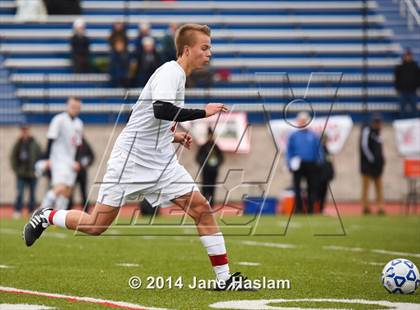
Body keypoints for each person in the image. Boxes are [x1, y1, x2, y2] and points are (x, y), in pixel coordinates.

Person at [24, 24, 251, 291]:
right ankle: (47, 216)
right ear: (187, 50)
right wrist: (203, 112)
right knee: (97, 225)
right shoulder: (171, 71)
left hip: (161, 162)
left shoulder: (177, 75)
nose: (209, 53)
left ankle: (224, 279)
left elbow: (146, 115)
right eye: (205, 47)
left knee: (201, 209)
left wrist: (172, 135)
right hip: (131, 161)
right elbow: (160, 109)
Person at [33, 97, 83, 213]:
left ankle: (58, 217)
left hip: (71, 161)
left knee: (68, 191)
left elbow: (78, 145)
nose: (75, 109)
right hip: (58, 160)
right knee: (60, 188)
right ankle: (40, 212)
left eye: (77, 107)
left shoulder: (79, 123)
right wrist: (47, 158)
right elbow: (51, 138)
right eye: (73, 107)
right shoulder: (59, 119)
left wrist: (77, 161)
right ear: (67, 106)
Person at [286, 112, 323, 214]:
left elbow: (319, 149)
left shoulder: (314, 135)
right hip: (298, 164)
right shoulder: (293, 136)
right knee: (297, 187)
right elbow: (289, 151)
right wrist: (289, 163)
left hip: (311, 164)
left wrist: (320, 161)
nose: (302, 123)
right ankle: (298, 208)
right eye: (300, 121)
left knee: (312, 187)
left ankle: (311, 208)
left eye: (304, 121)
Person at [10, 125, 42, 218]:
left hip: (32, 174)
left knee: (32, 194)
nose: (24, 133)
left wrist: (38, 170)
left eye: (26, 131)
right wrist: (16, 170)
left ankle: (31, 211)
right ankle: (17, 210)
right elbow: (13, 157)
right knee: (20, 193)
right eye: (23, 131)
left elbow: (40, 156)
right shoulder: (18, 144)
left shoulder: (35, 143)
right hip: (21, 174)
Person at [360, 114, 385, 215]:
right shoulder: (367, 131)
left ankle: (380, 207)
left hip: (377, 166)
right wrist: (372, 159)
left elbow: (379, 150)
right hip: (368, 165)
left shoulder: (379, 134)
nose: (378, 125)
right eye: (377, 123)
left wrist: (381, 161)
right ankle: (366, 207)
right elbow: (364, 146)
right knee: (366, 187)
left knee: (379, 187)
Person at [195, 128, 224, 207]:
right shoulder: (203, 147)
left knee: (212, 188)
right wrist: (205, 164)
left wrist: (216, 164)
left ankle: (211, 206)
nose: (210, 137)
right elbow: (198, 158)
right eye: (209, 135)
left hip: (214, 171)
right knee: (205, 188)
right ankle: (204, 205)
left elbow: (221, 158)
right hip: (205, 171)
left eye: (212, 135)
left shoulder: (216, 147)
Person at [67, 137, 95, 211]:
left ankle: (86, 212)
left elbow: (91, 157)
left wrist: (82, 165)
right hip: (71, 173)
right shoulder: (69, 142)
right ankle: (68, 212)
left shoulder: (85, 143)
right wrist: (71, 165)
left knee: (83, 193)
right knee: (69, 194)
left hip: (82, 173)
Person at [394, 49, 420, 119]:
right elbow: (396, 79)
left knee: (414, 109)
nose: (408, 57)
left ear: (411, 56)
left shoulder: (415, 66)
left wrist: (417, 87)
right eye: (406, 55)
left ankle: (416, 124)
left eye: (409, 55)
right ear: (404, 56)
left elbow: (418, 77)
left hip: (412, 91)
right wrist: (397, 89)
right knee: (402, 110)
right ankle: (402, 124)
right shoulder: (399, 66)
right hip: (403, 91)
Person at [317, 134, 334, 213]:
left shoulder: (327, 150)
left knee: (324, 193)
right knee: (318, 193)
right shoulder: (318, 150)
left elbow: (330, 164)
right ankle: (317, 208)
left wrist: (331, 174)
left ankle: (321, 208)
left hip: (325, 176)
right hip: (319, 176)